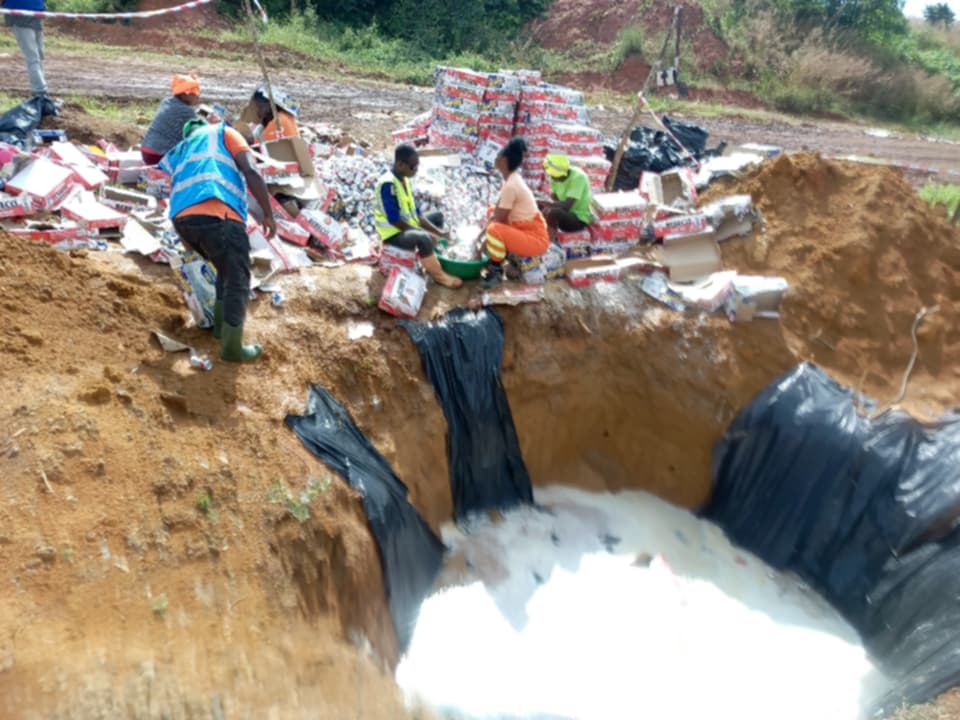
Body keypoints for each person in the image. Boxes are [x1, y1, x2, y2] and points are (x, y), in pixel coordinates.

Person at [160, 118, 277, 363]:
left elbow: (174, 187)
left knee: (224, 272)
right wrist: (268, 214)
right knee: (237, 279)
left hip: (182, 221)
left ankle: (220, 330)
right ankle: (232, 349)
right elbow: (251, 171)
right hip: (217, 212)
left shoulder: (182, 148)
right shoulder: (223, 133)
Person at [373, 144, 463, 289]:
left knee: (437, 216)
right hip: (393, 234)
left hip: (407, 226)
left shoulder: (405, 181)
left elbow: (417, 215)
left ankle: (431, 257)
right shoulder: (388, 185)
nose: (416, 170)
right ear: (400, 164)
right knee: (423, 237)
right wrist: (424, 232)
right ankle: (439, 276)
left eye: (417, 166)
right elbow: (395, 220)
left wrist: (440, 233)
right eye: (413, 167)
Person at [477, 138, 549, 288]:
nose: (494, 158)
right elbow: (496, 212)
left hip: (535, 239)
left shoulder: (511, 185)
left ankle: (496, 270)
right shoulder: (511, 180)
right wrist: (478, 238)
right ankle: (501, 255)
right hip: (525, 228)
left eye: (497, 156)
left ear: (503, 161)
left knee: (494, 230)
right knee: (491, 211)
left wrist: (480, 248)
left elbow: (497, 222)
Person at [141, 74, 201, 166]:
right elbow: (199, 135)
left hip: (146, 150)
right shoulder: (187, 111)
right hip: (160, 155)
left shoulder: (166, 102)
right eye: (195, 92)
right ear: (186, 93)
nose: (198, 96)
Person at [540, 153, 594, 243]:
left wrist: (549, 205)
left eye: (555, 176)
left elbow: (567, 206)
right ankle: (539, 235)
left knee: (554, 212)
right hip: (565, 214)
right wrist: (545, 205)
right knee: (540, 207)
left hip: (577, 219)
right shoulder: (554, 177)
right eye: (552, 176)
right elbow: (555, 198)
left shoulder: (578, 177)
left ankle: (548, 243)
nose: (553, 179)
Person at [3, 0, 48, 99]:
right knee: (36, 56)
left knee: (35, 56)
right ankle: (40, 91)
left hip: (25, 12)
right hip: (32, 11)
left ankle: (40, 91)